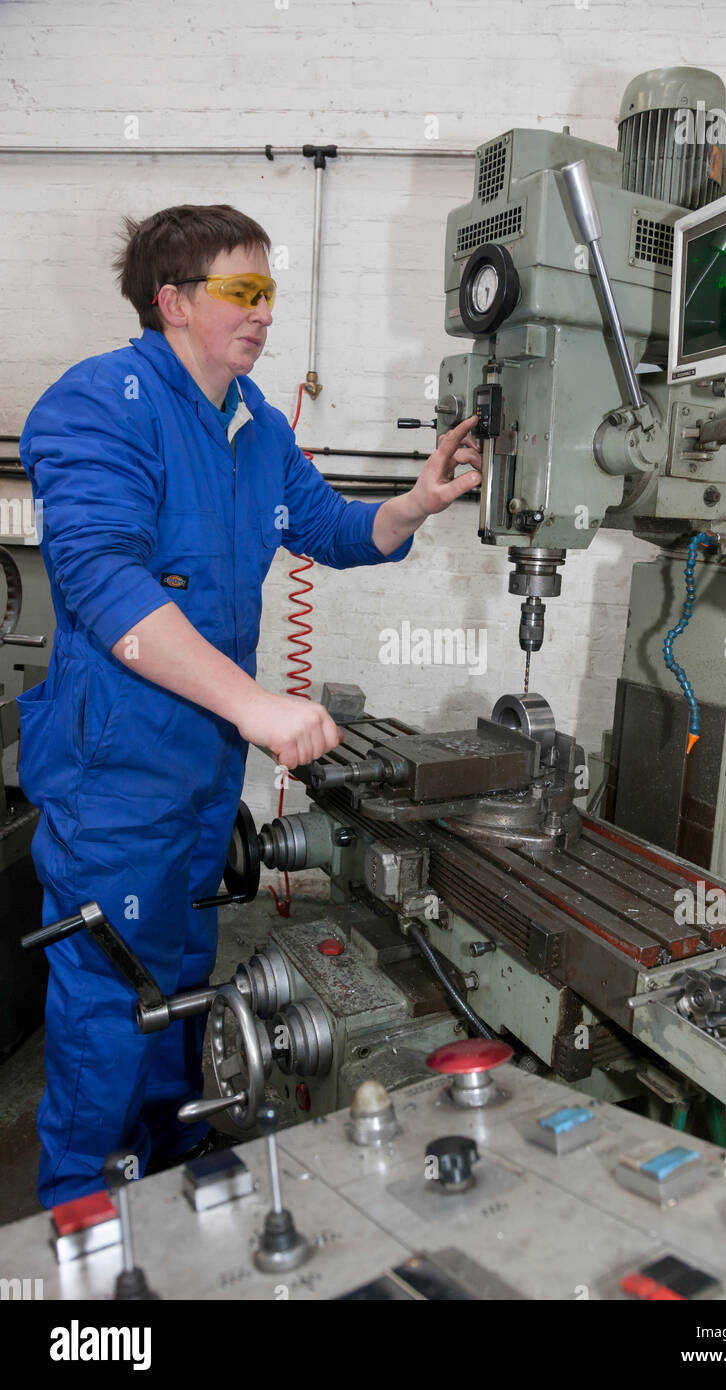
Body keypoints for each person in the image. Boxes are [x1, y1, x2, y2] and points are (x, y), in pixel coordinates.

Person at [17, 203, 481, 1208]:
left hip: (196, 778)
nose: (263, 312)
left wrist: (413, 501)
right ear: (172, 301)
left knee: (182, 981)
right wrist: (259, 707)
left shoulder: (255, 423)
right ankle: (80, 1227)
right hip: (115, 776)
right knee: (108, 1007)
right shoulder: (101, 403)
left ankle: (169, 1177)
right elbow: (102, 580)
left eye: (269, 291)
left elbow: (327, 527)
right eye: (242, 290)